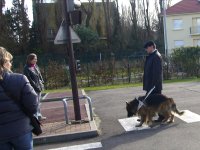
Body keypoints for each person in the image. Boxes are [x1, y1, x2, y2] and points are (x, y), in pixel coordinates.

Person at [0, 47, 38, 150]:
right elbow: (33, 105)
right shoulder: (19, 79)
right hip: (21, 130)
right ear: (4, 62)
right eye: (9, 61)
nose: (11, 64)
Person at [143, 40, 164, 122]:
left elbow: (157, 72)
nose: (146, 50)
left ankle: (161, 116)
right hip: (151, 84)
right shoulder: (152, 56)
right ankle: (151, 116)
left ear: (152, 46)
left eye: (147, 48)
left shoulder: (156, 56)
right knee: (152, 101)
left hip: (154, 85)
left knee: (155, 101)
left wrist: (153, 85)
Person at [23, 53, 46, 121]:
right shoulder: (26, 68)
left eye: (36, 59)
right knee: (35, 103)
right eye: (34, 59)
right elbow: (29, 79)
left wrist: (42, 81)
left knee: (38, 102)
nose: (36, 60)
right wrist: (36, 87)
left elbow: (39, 74)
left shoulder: (35, 66)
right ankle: (35, 117)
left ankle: (39, 116)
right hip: (33, 88)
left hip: (39, 86)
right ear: (30, 60)